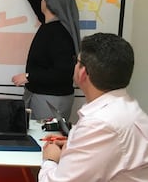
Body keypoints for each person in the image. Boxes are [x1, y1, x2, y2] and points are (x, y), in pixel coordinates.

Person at [39, 33, 148, 181]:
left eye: (76, 61)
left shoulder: (100, 124)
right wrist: (75, 145)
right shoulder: (127, 107)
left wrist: (50, 159)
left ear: (83, 72)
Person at [11, 0, 81, 120]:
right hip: (43, 96)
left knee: (48, 140)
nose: (41, 0)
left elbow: (63, 73)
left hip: (51, 100)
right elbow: (38, 5)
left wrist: (29, 76)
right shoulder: (52, 23)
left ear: (50, 5)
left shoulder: (59, 34)